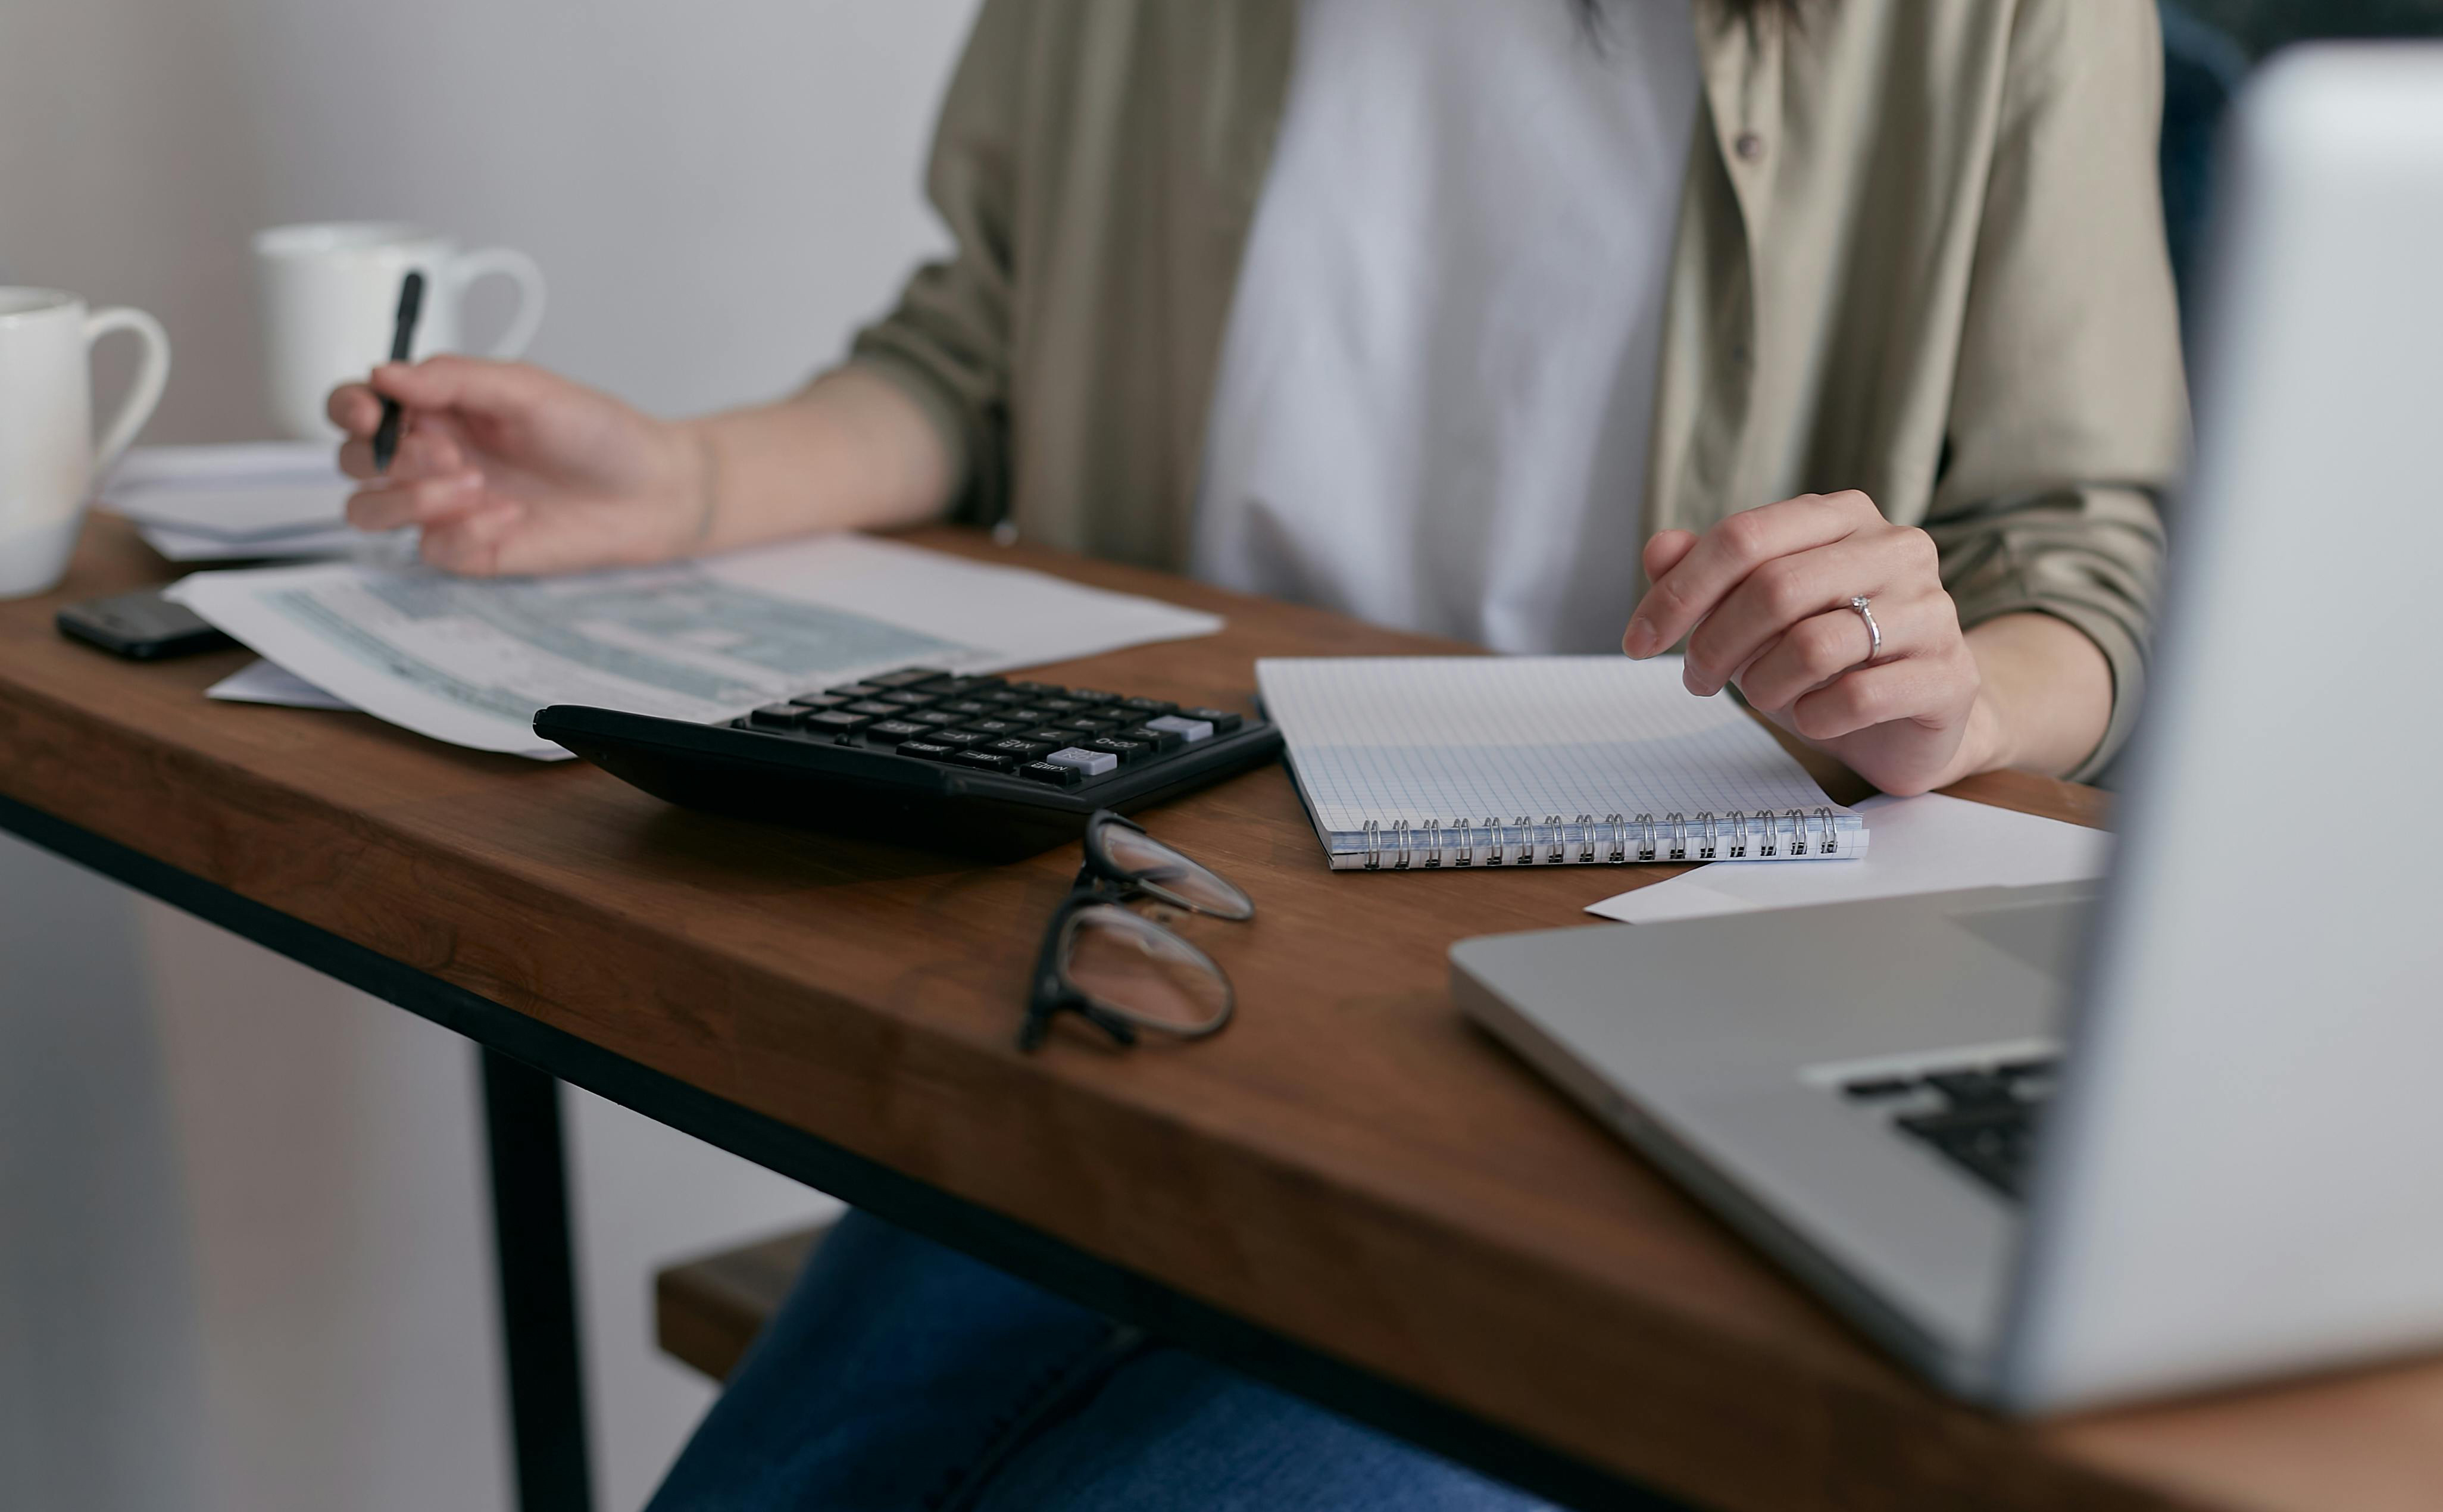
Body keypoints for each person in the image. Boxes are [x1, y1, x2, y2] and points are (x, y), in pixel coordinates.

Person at [329, 0, 2185, 1504]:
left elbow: (2080, 558)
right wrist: (691, 479)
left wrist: (1952, 694)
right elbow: (978, 356)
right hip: (1164, 934)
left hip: (1656, 996)